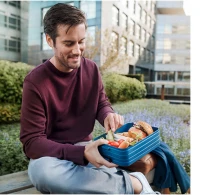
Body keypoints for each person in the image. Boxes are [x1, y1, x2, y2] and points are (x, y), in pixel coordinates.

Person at [20, 3, 161, 194]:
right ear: (50, 41)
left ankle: (105, 180)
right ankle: (136, 184)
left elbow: (101, 103)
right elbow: (32, 143)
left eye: (81, 41)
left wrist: (108, 115)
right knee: (43, 173)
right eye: (69, 43)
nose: (77, 50)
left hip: (86, 147)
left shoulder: (91, 69)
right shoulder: (35, 82)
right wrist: (81, 154)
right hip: (50, 155)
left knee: (86, 168)